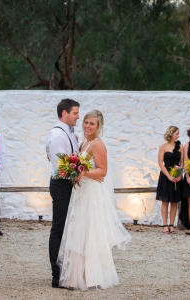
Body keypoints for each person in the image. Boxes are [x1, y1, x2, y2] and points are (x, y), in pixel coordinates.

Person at [57, 110, 131, 291]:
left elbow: (103, 171)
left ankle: (92, 276)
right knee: (79, 231)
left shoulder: (97, 144)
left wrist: (83, 173)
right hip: (82, 192)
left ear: (99, 127)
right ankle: (77, 276)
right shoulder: (83, 142)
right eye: (86, 122)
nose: (87, 126)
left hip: (92, 193)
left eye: (92, 124)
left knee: (90, 232)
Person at [46, 98, 80, 288]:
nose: (78, 116)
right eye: (75, 113)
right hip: (61, 185)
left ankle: (67, 269)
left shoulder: (68, 133)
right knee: (59, 228)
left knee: (68, 228)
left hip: (68, 184)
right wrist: (79, 174)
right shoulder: (58, 136)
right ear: (64, 113)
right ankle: (56, 274)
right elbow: (61, 168)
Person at [156, 126, 183, 234]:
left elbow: (182, 163)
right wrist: (169, 176)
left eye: (178, 133)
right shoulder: (163, 147)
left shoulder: (180, 146)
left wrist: (179, 175)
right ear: (171, 134)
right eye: (176, 133)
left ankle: (172, 225)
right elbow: (160, 163)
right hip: (166, 176)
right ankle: (165, 225)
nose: (178, 135)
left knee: (174, 201)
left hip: (177, 176)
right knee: (165, 201)